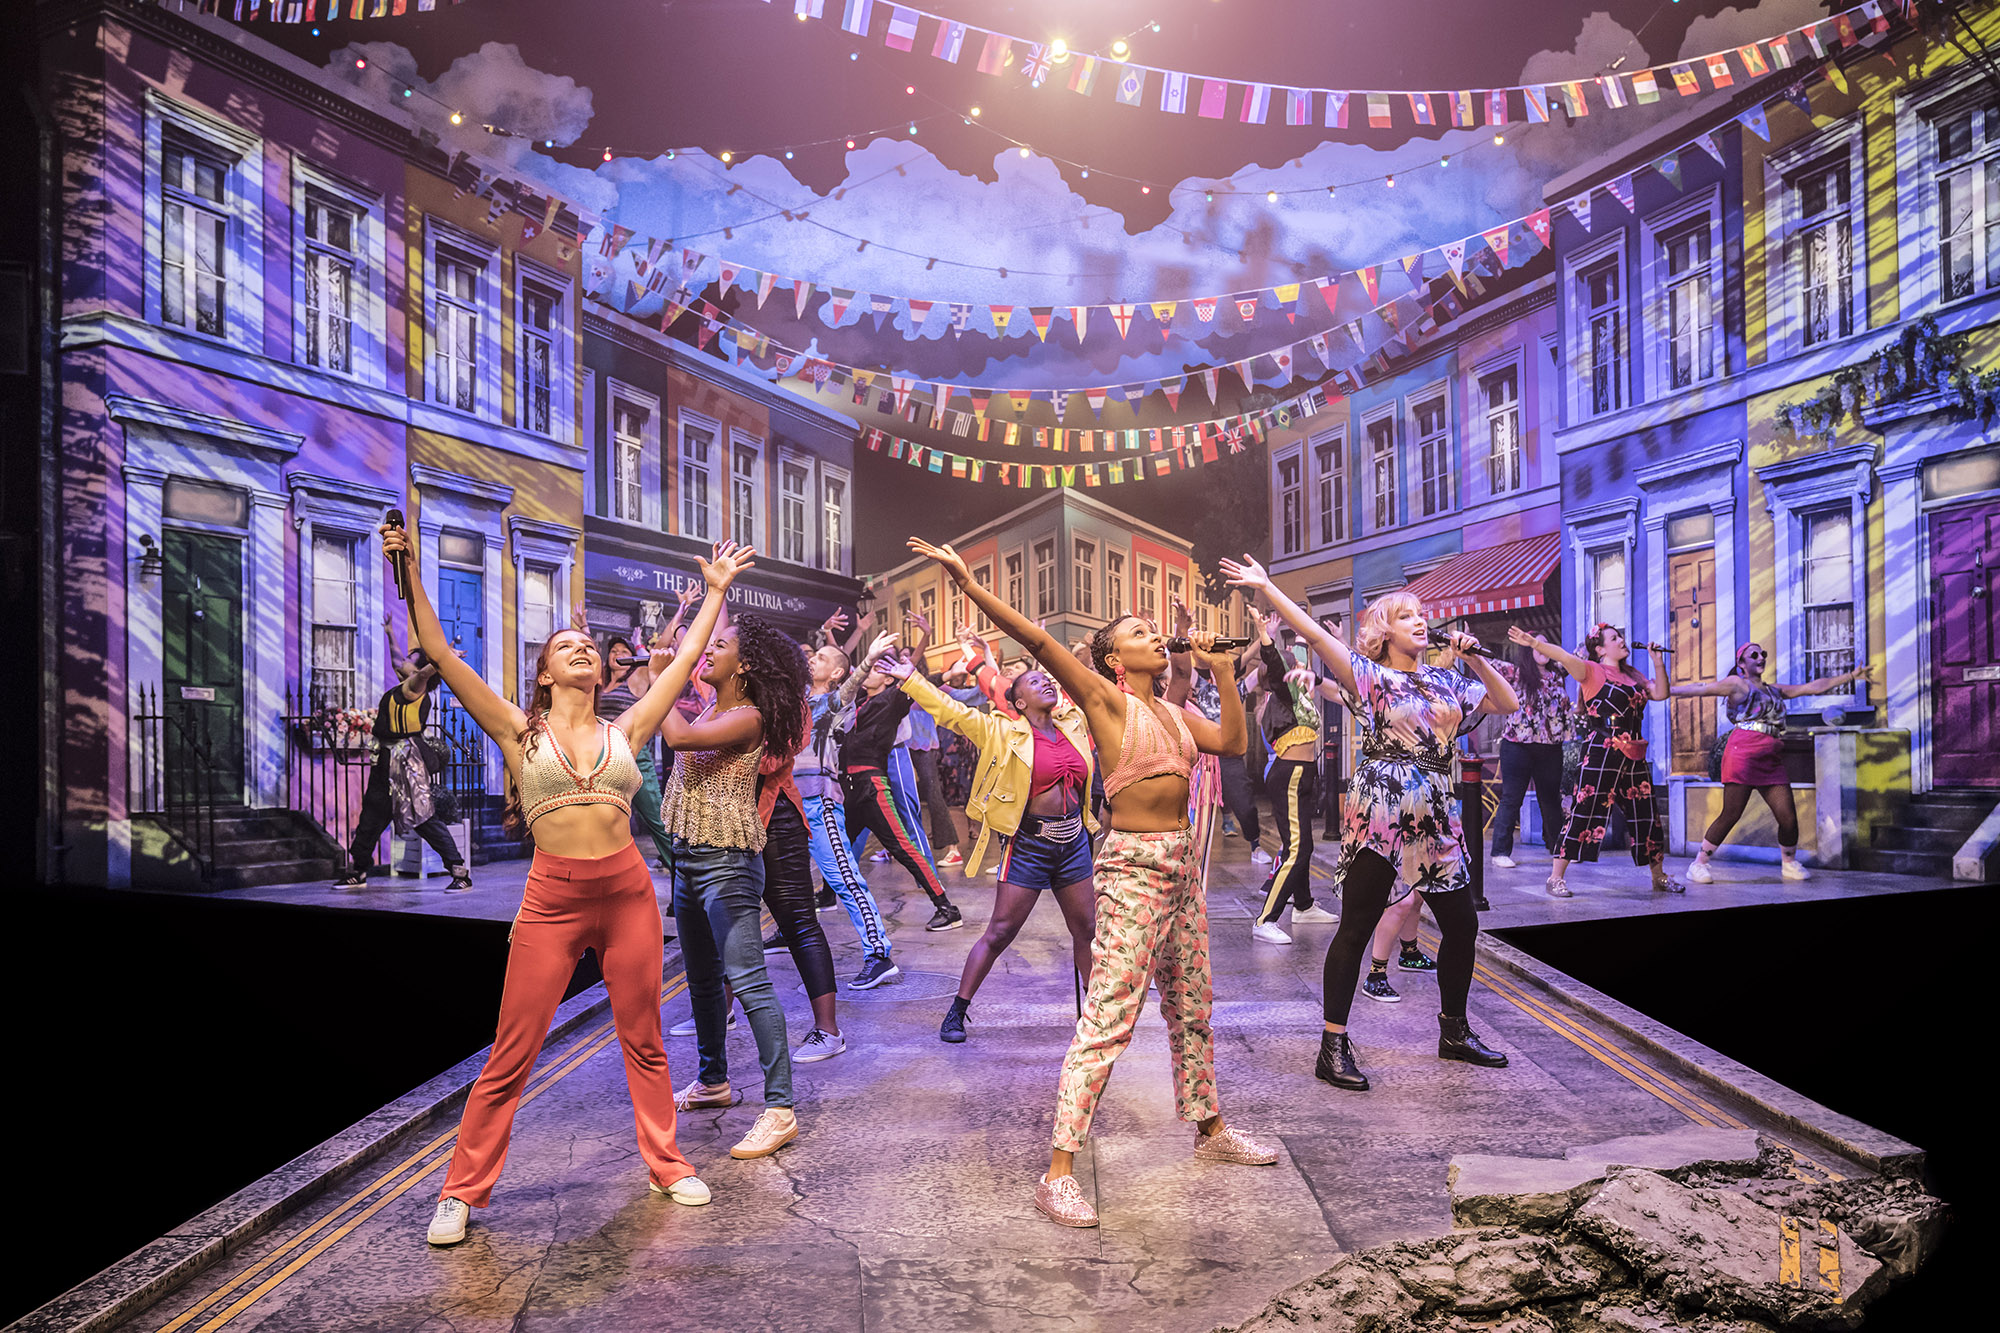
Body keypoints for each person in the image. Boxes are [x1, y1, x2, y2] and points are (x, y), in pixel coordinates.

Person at [383, 526, 744, 1248]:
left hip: (628, 895)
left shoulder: (629, 726)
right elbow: (443, 653)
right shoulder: (520, 731)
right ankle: (460, 1189)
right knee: (512, 1050)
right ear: (546, 675)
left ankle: (666, 1163)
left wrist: (716, 592)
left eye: (587, 645)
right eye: (565, 647)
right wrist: (411, 569)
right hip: (553, 899)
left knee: (643, 1039)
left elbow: (680, 668)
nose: (582, 647)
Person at [908, 536, 1276, 1232]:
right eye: (1139, 634)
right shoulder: (1105, 702)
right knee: (1108, 1019)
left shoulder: (1173, 712)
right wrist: (964, 582)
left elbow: (1232, 741)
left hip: (1181, 868)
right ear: (1113, 657)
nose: (1155, 641)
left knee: (1194, 1006)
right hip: (1133, 867)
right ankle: (1058, 1173)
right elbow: (1036, 638)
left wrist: (1223, 670)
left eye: (1153, 632)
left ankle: (1211, 1127)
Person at [1221, 556, 1519, 1096]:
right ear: (1384, 632)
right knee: (1356, 924)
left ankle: (1453, 1031)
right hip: (1382, 801)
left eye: (1423, 614)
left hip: (1436, 805)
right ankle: (1332, 1044)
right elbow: (1312, 632)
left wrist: (1475, 661)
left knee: (1462, 925)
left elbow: (1507, 701)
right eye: (1407, 617)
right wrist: (1268, 588)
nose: (1420, 622)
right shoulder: (1369, 675)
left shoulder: (1444, 679)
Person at [657, 610, 813, 1161]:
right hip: (688, 854)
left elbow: (675, 737)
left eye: (718, 646)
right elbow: (682, 717)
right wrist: (672, 659)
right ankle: (713, 1081)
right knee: (701, 980)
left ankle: (780, 1109)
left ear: (743, 665)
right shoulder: (710, 706)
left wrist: (665, 677)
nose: (706, 653)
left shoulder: (748, 717)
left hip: (727, 862)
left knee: (748, 981)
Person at [880, 655, 1097, 1044]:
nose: (1045, 683)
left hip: (1075, 843)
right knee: (999, 932)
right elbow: (951, 713)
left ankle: (1098, 1016)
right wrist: (911, 679)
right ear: (1018, 703)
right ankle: (957, 1011)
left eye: (1045, 679)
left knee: (1086, 931)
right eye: (1033, 682)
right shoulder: (1000, 731)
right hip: (1030, 845)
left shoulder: (1075, 726)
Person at [1673, 644, 1874, 883]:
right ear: (1742, 664)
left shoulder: (1773, 690)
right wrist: (1665, 689)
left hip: (1770, 757)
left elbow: (1810, 688)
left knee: (1787, 815)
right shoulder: (1738, 684)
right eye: (1754, 655)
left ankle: (1789, 863)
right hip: (1743, 753)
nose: (1760, 658)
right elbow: (1703, 688)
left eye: (1763, 654)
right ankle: (1699, 864)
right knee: (1731, 814)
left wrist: (1850, 676)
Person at [1510, 623, 1680, 898]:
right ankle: (1555, 878)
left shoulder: (1633, 676)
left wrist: (1658, 663)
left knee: (1647, 815)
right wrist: (1534, 644)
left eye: (1620, 636)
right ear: (1600, 649)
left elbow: (1660, 693)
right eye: (1614, 638)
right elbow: (1563, 656)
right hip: (1603, 748)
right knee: (1585, 810)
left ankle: (1658, 876)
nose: (1622, 640)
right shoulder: (1593, 671)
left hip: (1634, 751)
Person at [837, 631, 964, 932]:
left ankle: (947, 908)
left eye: (879, 670)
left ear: (890, 679)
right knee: (839, 847)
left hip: (871, 786)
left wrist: (948, 673)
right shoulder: (855, 702)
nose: (869, 673)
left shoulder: (892, 699)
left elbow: (920, 687)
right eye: (869, 668)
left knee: (903, 846)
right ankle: (828, 895)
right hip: (850, 788)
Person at [333, 618, 469, 893]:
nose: (402, 660)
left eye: (410, 659)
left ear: (417, 669)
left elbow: (423, 674)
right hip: (386, 760)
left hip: (405, 761)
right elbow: (399, 659)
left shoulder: (413, 688)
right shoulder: (405, 680)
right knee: (371, 817)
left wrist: (443, 658)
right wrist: (389, 633)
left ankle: (459, 872)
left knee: (423, 818)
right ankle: (358, 871)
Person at [800, 640, 899, 989]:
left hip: (819, 802)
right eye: (813, 655)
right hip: (786, 803)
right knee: (782, 880)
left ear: (838, 672)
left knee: (844, 877)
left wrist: (869, 658)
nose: (813, 659)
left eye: (822, 658)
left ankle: (878, 954)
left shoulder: (834, 703)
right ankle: (785, 932)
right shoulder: (796, 701)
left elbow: (848, 691)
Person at [1248, 613, 1341, 944]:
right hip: (1288, 775)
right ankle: (1265, 919)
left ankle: (1303, 906)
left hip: (1303, 775)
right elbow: (1276, 663)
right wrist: (1264, 635)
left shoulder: (1302, 695)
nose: (1300, 669)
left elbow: (1300, 654)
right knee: (1297, 849)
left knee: (1303, 845)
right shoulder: (1283, 698)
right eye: (1294, 669)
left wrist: (1318, 636)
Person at [1488, 640, 1576, 870]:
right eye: (1537, 645)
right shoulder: (1517, 674)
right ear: (1528, 651)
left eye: (1546, 645)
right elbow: (1487, 662)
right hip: (1518, 745)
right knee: (1511, 798)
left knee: (1551, 800)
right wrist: (1468, 643)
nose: (1542, 649)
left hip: (1550, 746)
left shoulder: (1558, 675)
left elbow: (1578, 654)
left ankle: (1559, 849)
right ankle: (1499, 852)